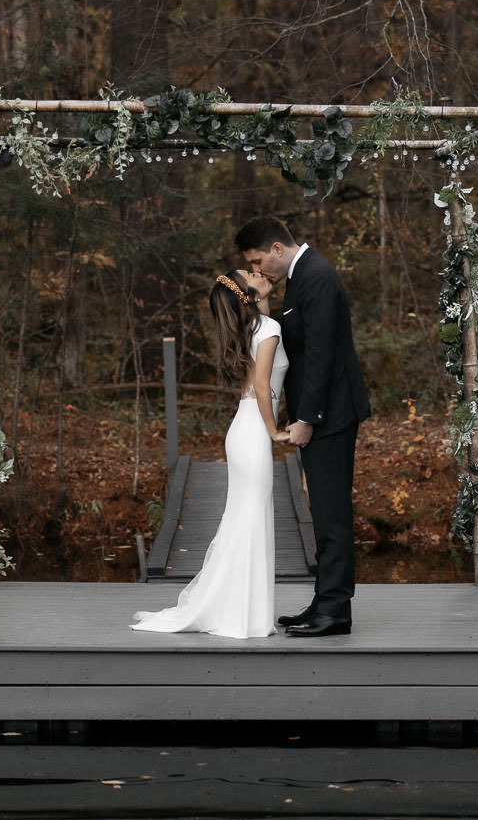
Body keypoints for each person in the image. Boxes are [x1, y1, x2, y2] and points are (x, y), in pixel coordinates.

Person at [132, 267, 285, 638]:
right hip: (253, 430)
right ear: (247, 296)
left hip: (243, 428)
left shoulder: (257, 327)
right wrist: (275, 432)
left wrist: (260, 298)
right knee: (250, 520)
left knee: (245, 520)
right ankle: (242, 615)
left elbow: (261, 371)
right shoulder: (270, 331)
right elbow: (263, 387)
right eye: (251, 273)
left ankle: (243, 611)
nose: (258, 271)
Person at [236, 215, 369, 637]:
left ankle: (335, 611)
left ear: (278, 248)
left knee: (332, 513)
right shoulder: (299, 278)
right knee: (323, 511)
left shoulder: (318, 277)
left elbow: (322, 356)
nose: (258, 271)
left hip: (330, 414)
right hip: (322, 412)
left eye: (258, 261)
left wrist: (307, 419)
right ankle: (323, 602)